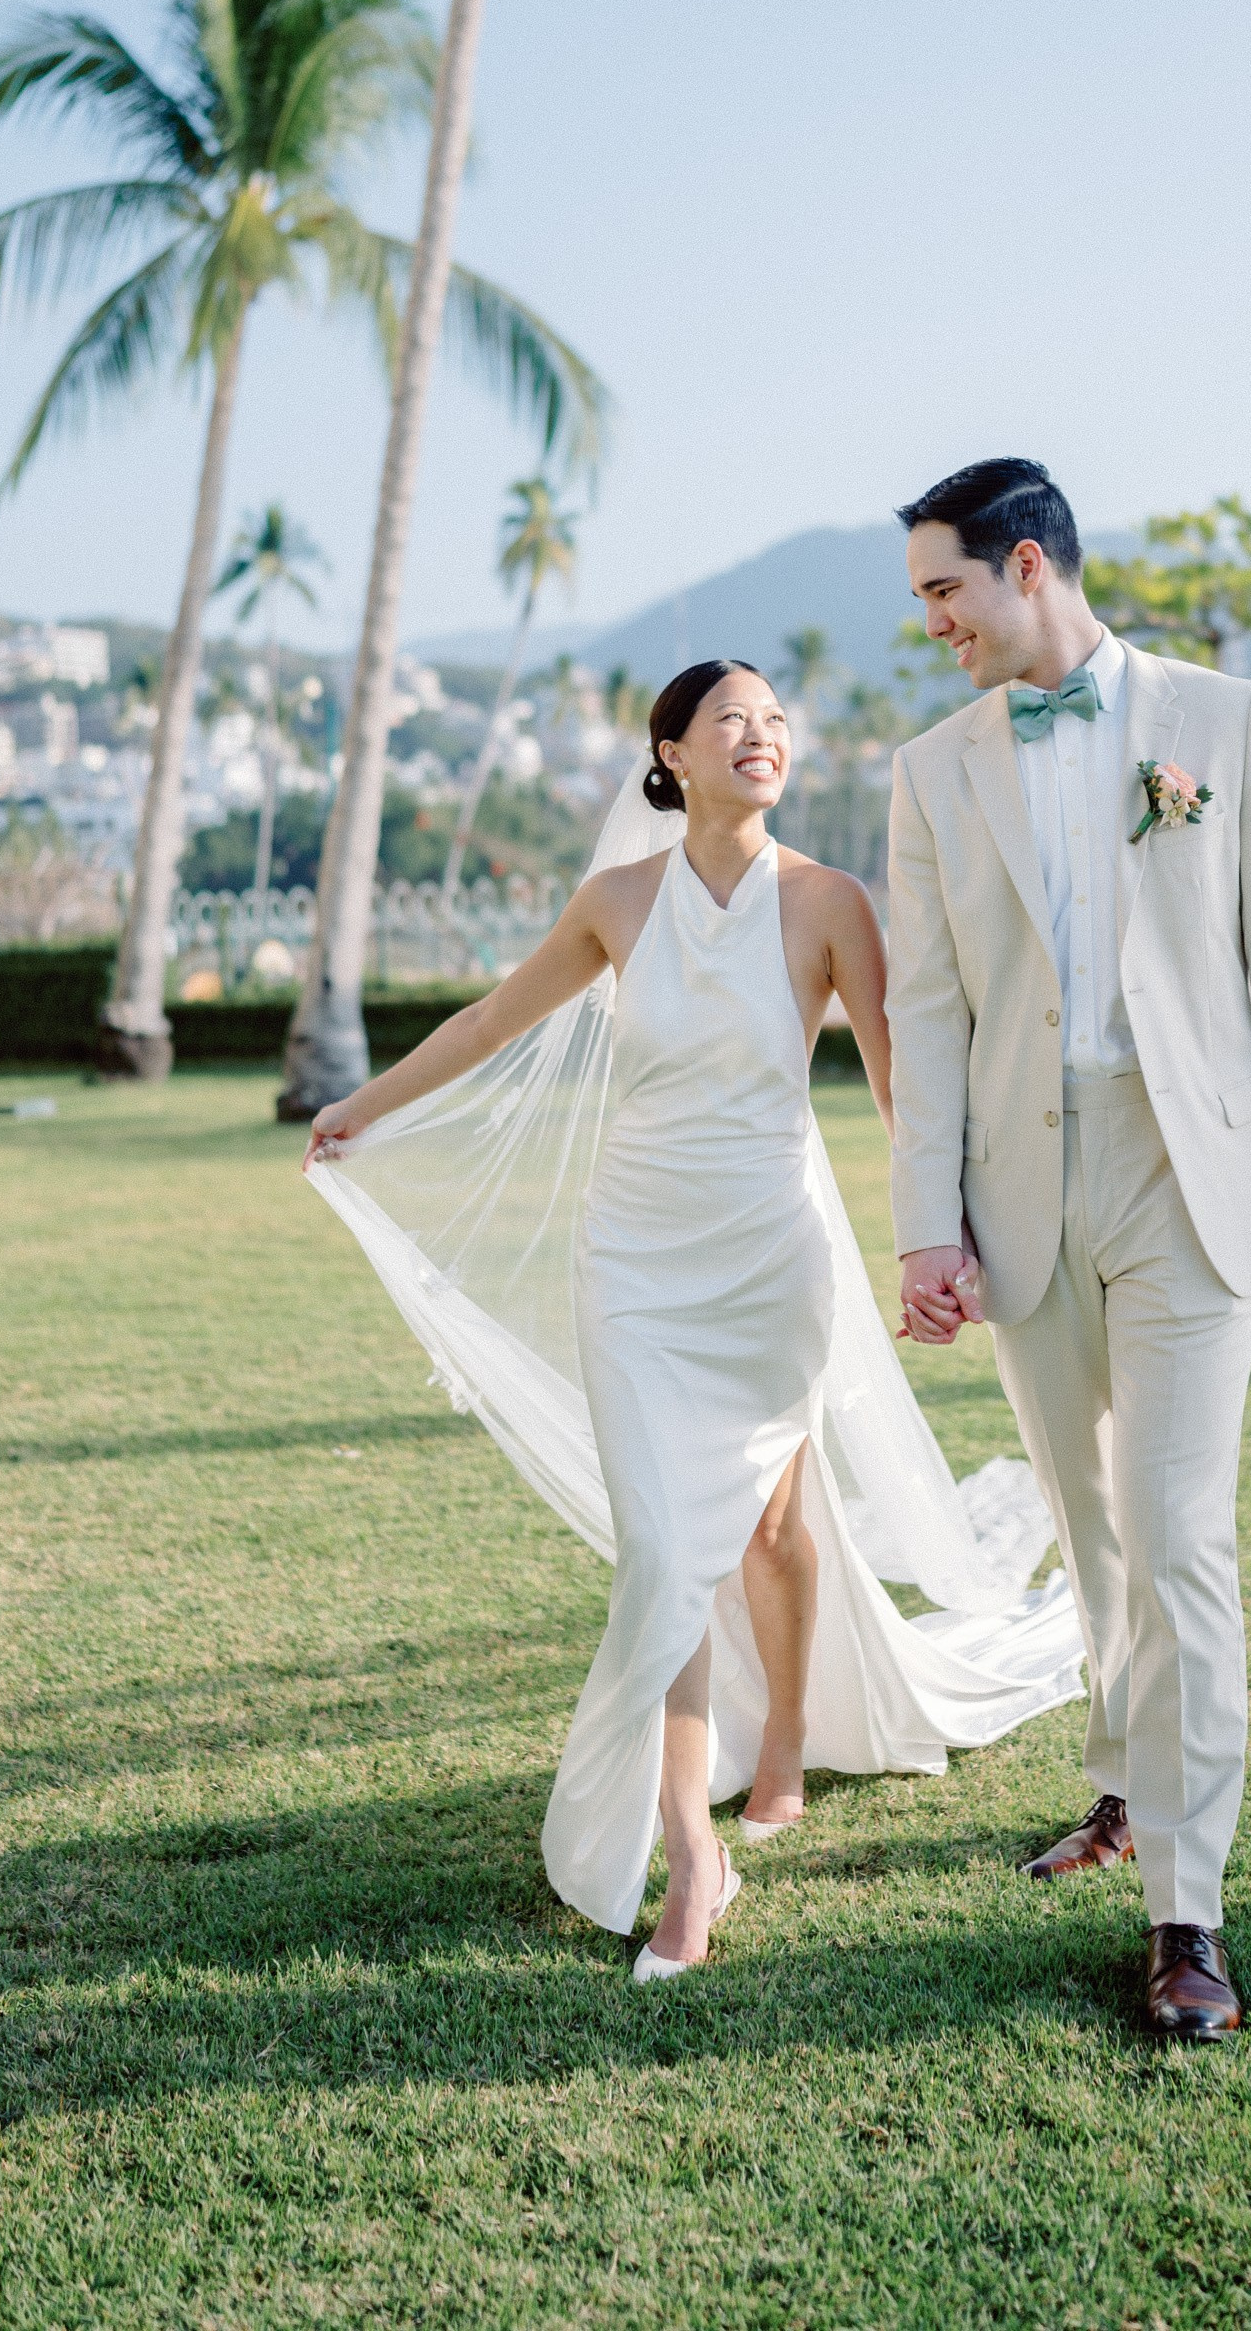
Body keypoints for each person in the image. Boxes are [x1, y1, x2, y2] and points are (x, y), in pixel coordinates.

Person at [306, 658, 1082, 1979]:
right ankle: (688, 1854)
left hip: (768, 1261)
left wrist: (944, 1235)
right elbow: (494, 1019)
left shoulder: (828, 902)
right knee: (664, 1557)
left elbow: (900, 1090)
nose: (763, 736)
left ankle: (783, 1738)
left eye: (777, 721)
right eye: (734, 720)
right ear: (671, 752)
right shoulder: (616, 902)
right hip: (633, 1266)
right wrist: (362, 1107)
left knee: (773, 1528)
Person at [885, 459, 1251, 2042]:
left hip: (1188, 1174)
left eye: (946, 590)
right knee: (1092, 1527)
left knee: (1176, 1533)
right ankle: (1118, 1777)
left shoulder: (1223, 722)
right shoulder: (932, 771)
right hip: (1022, 1184)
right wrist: (925, 1225)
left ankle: (1185, 1912)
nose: (933, 624)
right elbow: (927, 1014)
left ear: (1028, 565)